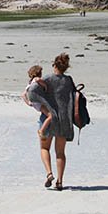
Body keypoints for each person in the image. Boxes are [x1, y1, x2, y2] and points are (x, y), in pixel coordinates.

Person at [39, 53, 76, 191]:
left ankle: (49, 174)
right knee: (60, 153)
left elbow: (32, 92)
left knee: (44, 148)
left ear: (54, 65)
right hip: (64, 119)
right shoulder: (69, 80)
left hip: (48, 119)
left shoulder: (47, 79)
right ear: (66, 67)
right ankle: (60, 181)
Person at [21, 65, 54, 140]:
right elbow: (39, 80)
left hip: (35, 104)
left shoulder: (30, 83)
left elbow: (23, 95)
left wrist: (29, 102)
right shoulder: (36, 79)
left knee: (47, 114)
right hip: (38, 103)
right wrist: (45, 87)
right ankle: (41, 130)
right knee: (50, 116)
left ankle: (42, 129)